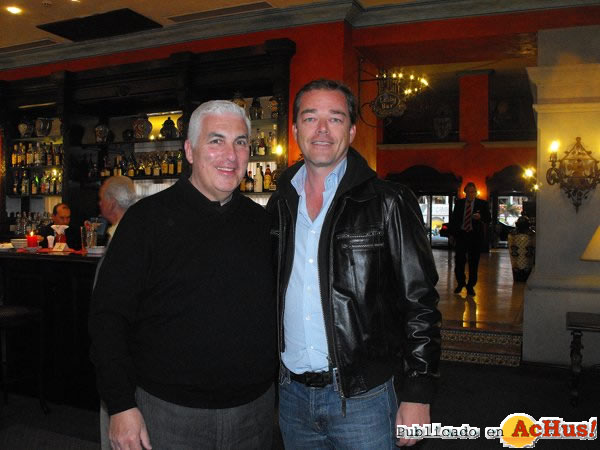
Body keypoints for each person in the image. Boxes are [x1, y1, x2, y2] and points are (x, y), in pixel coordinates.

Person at [89, 100, 277, 450]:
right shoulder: (146, 221)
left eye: (240, 142)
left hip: (254, 413)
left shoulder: (264, 224)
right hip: (167, 414)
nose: (230, 155)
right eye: (216, 140)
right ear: (190, 151)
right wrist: (120, 405)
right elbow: (108, 318)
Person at [266, 79, 441, 449]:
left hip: (363, 398)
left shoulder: (389, 201)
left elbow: (420, 301)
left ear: (352, 131)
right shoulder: (278, 205)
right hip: (291, 395)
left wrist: (418, 392)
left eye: (335, 118)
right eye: (310, 118)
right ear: (295, 130)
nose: (322, 129)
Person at [449, 182, 491, 296]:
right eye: (468, 192)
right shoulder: (459, 203)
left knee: (474, 262)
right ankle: (460, 283)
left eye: (473, 192)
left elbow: (488, 218)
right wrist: (452, 235)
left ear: (476, 192)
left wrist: (480, 217)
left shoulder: (482, 204)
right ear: (465, 192)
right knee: (459, 261)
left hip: (474, 236)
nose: (471, 194)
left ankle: (470, 286)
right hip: (462, 235)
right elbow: (454, 219)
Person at [97, 175, 137, 244]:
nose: (99, 203)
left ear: (111, 204)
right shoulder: (135, 228)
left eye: (101, 198)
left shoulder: (121, 234)